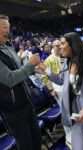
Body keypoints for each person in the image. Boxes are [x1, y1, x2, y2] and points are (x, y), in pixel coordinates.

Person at [0, 14, 41, 150]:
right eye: (5, 27)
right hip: (13, 109)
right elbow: (10, 79)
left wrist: (33, 70)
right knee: (26, 145)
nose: (8, 31)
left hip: (26, 102)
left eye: (9, 27)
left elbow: (19, 70)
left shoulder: (9, 46)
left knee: (37, 139)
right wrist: (29, 65)